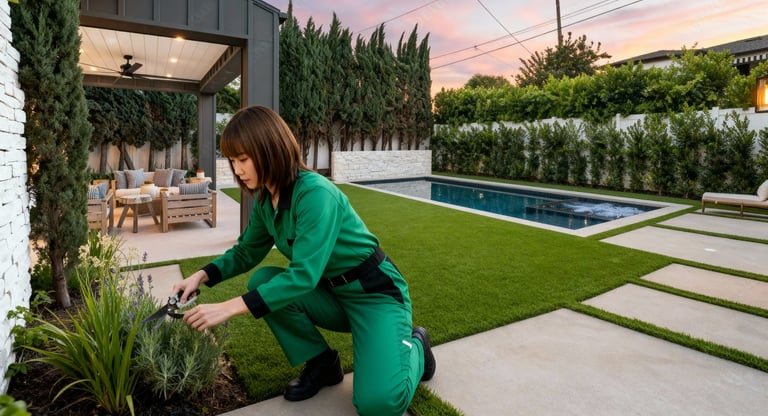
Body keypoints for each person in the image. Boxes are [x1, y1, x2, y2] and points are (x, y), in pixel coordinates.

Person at [173, 105, 435, 416]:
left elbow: (303, 276)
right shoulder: (266, 199)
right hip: (331, 295)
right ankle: (323, 363)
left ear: (270, 150)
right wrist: (200, 276)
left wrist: (227, 308)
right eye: (232, 160)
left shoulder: (315, 194)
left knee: (378, 405)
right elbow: (247, 251)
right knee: (263, 280)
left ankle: (417, 343)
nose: (237, 169)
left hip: (375, 295)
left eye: (243, 159)